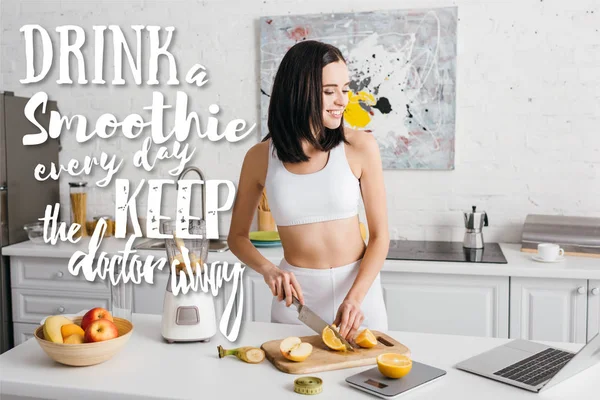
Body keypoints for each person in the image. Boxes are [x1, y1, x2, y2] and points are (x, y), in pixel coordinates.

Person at [227, 40, 389, 340]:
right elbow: (236, 237)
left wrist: (355, 298)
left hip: (358, 300)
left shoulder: (361, 146)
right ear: (300, 92)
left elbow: (380, 237)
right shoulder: (260, 157)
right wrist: (269, 270)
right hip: (295, 304)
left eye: (345, 88)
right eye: (330, 91)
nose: (342, 100)